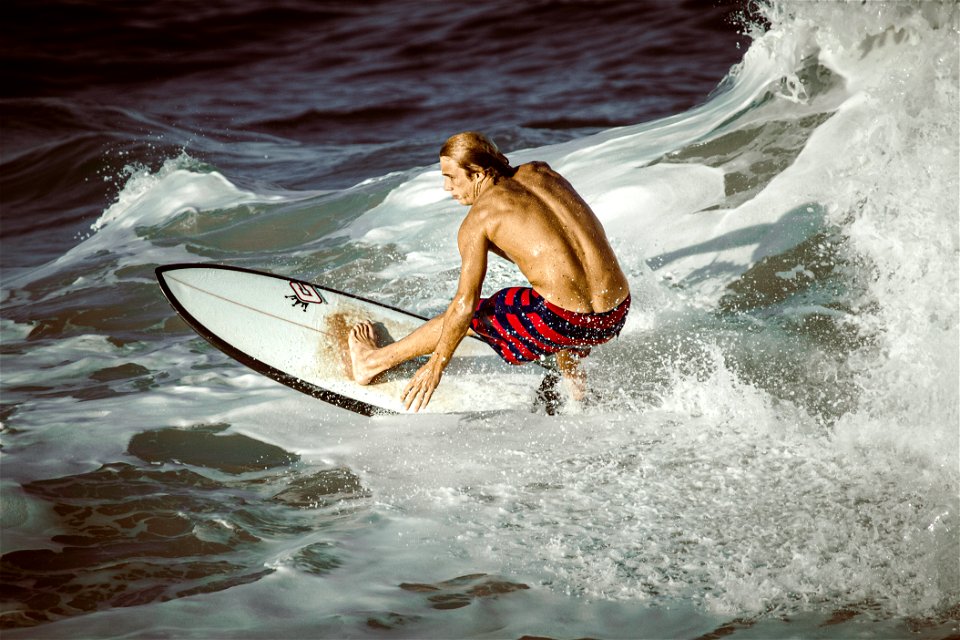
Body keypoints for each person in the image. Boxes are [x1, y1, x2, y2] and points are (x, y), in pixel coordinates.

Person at [348, 131, 630, 411]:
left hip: (561, 323)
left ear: (479, 174)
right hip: (615, 314)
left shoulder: (479, 219)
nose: (447, 188)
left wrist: (436, 366)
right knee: (558, 294)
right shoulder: (543, 172)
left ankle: (371, 363)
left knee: (481, 314)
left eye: (451, 177)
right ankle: (576, 383)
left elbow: (465, 305)